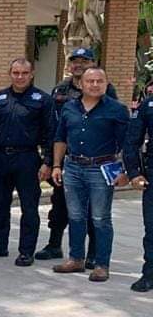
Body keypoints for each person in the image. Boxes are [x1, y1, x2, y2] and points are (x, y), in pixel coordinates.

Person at [37, 47, 118, 264]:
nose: (79, 65)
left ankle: (93, 255)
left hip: (97, 161)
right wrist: (50, 161)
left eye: (85, 60)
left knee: (95, 211)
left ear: (93, 63)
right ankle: (55, 245)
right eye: (75, 61)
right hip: (66, 159)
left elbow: (115, 128)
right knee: (61, 205)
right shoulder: (60, 90)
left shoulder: (105, 90)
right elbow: (56, 129)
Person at [0, 58, 55, 267]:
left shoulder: (42, 100)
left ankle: (26, 251)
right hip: (1, 158)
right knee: (0, 204)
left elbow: (50, 133)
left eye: (24, 73)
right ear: (10, 74)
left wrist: (48, 162)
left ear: (32, 74)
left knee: (29, 207)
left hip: (27, 158)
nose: (20, 77)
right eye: (16, 73)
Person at [51, 68, 129, 282]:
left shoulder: (117, 110)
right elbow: (60, 138)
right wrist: (57, 165)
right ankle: (76, 259)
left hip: (101, 169)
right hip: (73, 167)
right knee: (75, 216)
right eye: (90, 81)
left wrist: (125, 171)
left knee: (100, 218)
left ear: (106, 83)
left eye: (99, 81)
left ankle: (102, 264)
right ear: (81, 84)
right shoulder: (69, 107)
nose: (95, 84)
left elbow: (127, 144)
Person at [125, 85, 153, 292]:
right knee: (151, 230)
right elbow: (132, 141)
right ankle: (149, 274)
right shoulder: (148, 105)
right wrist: (134, 173)